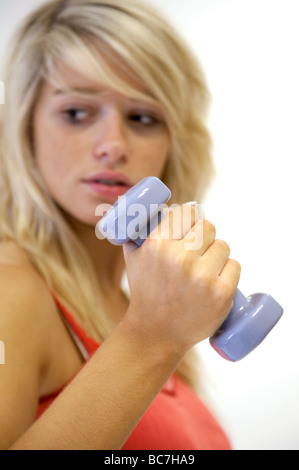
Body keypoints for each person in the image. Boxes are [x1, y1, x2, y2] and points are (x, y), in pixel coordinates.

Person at [0, 0, 241, 450]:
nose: (112, 145)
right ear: (24, 129)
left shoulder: (144, 303)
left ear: (173, 144)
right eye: (76, 113)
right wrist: (150, 338)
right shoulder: (9, 292)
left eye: (142, 117)